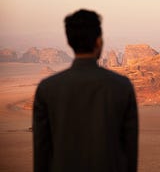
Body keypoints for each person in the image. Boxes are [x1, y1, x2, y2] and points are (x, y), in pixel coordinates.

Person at [33, 9, 138, 172]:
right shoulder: (122, 86)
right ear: (99, 42)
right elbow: (130, 151)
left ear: (69, 42)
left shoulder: (47, 89)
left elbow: (41, 153)